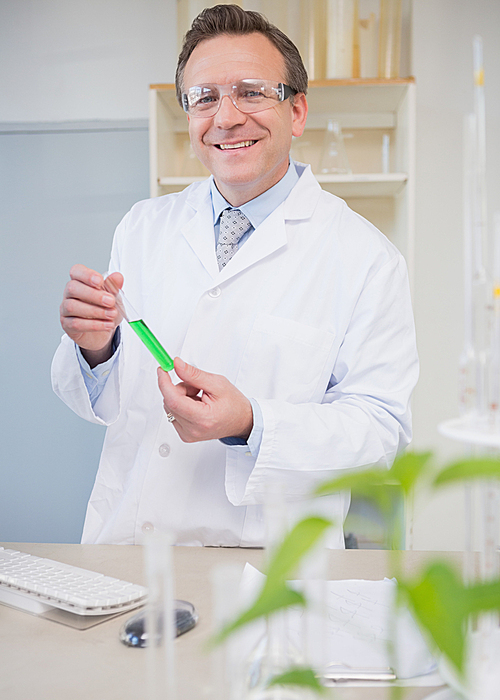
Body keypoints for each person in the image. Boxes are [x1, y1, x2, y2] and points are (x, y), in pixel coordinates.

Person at [52, 4, 418, 547]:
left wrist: (252, 422)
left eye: (250, 91)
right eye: (204, 98)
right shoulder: (143, 227)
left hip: (267, 571)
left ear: (296, 112)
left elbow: (383, 433)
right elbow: (103, 401)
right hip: (126, 551)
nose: (225, 117)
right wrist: (95, 349)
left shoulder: (367, 257)